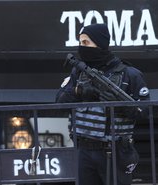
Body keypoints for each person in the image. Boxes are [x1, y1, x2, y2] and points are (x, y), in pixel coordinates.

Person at [56, 24, 150, 185]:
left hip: (114, 151)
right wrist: (79, 92)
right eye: (80, 42)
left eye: (86, 43)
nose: (82, 47)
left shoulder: (130, 74)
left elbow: (144, 111)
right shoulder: (78, 72)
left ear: (100, 43)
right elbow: (59, 103)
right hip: (83, 150)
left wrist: (118, 104)